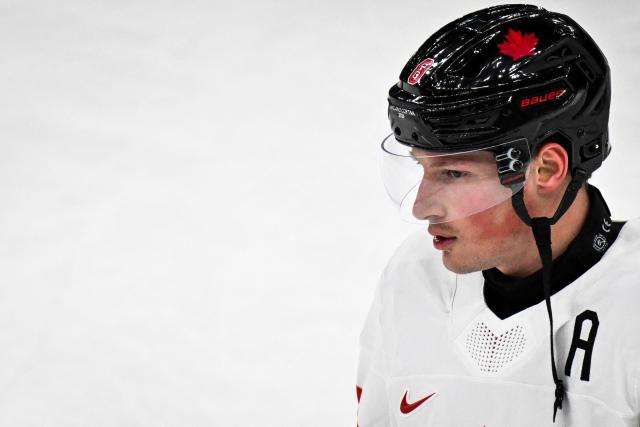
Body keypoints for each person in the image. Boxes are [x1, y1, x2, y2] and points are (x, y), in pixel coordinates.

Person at [356, 4, 639, 426]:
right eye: (422, 167)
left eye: (454, 172)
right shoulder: (411, 275)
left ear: (546, 170)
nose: (420, 207)